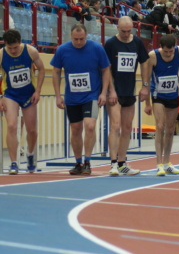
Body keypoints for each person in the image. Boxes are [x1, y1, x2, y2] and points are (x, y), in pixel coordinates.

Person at [51, 23, 111, 175]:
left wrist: (103, 93)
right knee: (76, 129)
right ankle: (78, 162)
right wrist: (58, 96)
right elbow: (56, 72)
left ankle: (88, 161)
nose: (78, 42)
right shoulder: (62, 50)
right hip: (72, 98)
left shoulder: (97, 48)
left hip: (91, 95)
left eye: (81, 39)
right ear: (70, 37)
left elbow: (106, 70)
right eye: (75, 39)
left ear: (87, 36)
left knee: (90, 126)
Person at [104, 16, 149, 176]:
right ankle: (113, 163)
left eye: (128, 31)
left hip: (129, 90)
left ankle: (123, 162)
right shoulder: (110, 44)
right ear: (117, 28)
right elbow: (106, 68)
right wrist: (111, 90)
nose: (126, 34)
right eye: (123, 31)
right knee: (115, 126)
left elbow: (144, 63)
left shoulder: (137, 42)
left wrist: (144, 85)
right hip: (115, 91)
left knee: (128, 128)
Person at [0, 29, 45, 174]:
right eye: (10, 48)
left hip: (28, 95)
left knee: (31, 130)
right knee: (12, 126)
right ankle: (14, 163)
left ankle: (30, 155)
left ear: (20, 42)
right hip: (10, 94)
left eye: (15, 47)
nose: (13, 51)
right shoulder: (1, 54)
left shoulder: (31, 51)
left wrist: (38, 91)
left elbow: (42, 69)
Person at [144, 35, 179, 175]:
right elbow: (147, 78)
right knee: (160, 127)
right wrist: (147, 103)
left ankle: (167, 162)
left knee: (169, 129)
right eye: (166, 52)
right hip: (158, 96)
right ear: (161, 47)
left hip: (173, 95)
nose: (168, 54)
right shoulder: (153, 56)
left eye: (171, 52)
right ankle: (158, 164)